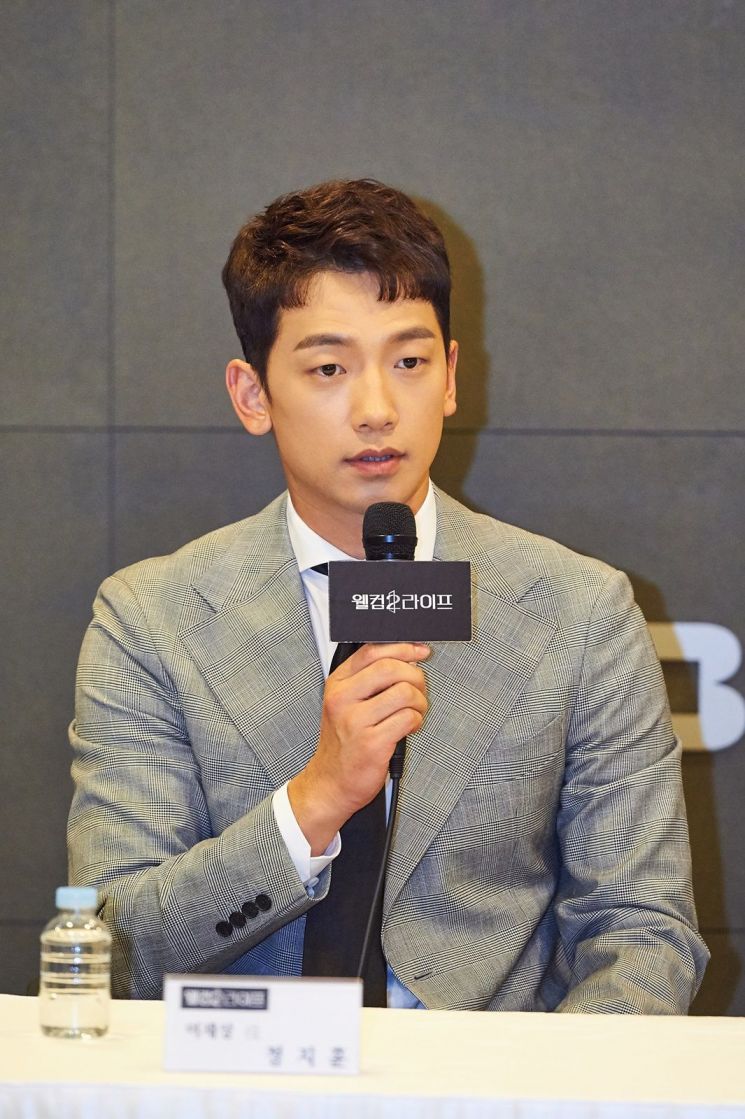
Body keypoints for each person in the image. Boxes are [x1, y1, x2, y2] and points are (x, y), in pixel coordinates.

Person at [68, 178, 708, 1010]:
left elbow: (641, 932)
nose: (376, 409)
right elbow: (113, 951)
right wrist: (314, 801)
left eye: (408, 362)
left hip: (494, 1076)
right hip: (241, 1071)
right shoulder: (150, 620)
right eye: (329, 368)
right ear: (253, 395)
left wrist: (536, 1083)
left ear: (450, 377)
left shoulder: (579, 612)